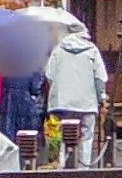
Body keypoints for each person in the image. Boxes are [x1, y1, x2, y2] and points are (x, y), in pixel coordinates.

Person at [44, 17, 110, 167]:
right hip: (86, 102)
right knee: (86, 135)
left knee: (56, 132)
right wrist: (101, 97)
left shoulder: (58, 50)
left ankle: (57, 165)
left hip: (60, 102)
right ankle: (83, 167)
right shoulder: (92, 51)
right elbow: (100, 77)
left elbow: (49, 75)